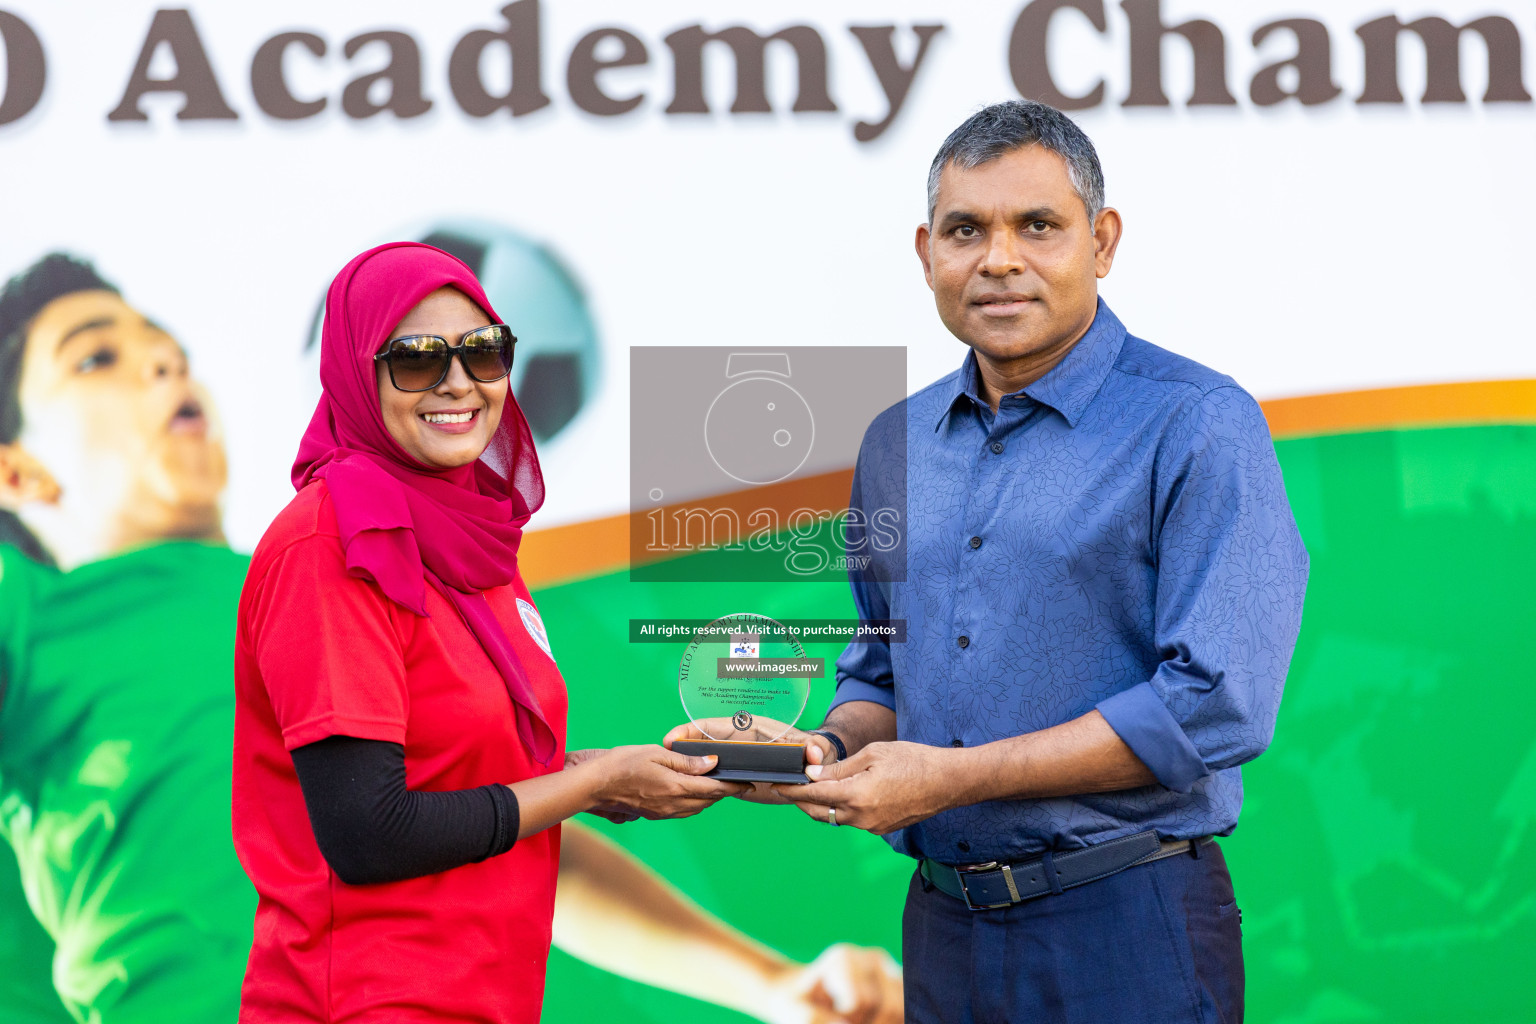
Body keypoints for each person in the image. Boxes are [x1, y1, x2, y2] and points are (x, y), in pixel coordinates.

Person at [0, 252, 901, 1024]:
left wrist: (776, 985)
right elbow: (381, 830)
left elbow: (488, 826)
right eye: (98, 359)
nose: (164, 368)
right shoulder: (38, 615)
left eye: (170, 351)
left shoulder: (382, 568)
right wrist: (592, 780)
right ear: (17, 468)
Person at [738, 100, 1307, 1021]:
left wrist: (952, 778)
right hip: (944, 931)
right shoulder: (896, 441)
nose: (999, 258)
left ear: (1103, 240)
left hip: (1128, 922)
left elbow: (1216, 705)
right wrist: (823, 751)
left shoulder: (1198, 422)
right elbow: (882, 673)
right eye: (967, 230)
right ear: (927, 252)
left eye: (1037, 225)